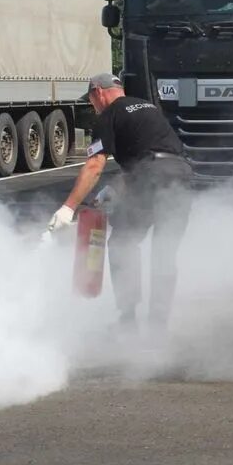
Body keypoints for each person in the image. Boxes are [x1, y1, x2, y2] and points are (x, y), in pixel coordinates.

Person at [47, 73, 193, 330]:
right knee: (164, 253)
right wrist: (113, 190)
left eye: (91, 100)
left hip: (150, 177)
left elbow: (94, 165)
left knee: (122, 243)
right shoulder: (148, 108)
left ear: (98, 92)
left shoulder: (110, 114)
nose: (93, 106)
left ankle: (128, 321)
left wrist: (68, 208)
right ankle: (158, 329)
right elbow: (152, 156)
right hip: (180, 177)